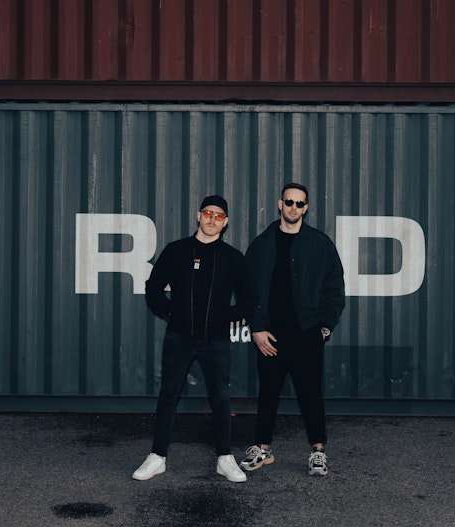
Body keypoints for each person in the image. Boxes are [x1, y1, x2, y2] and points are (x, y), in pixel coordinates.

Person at [132, 194, 253, 483]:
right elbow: (153, 288)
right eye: (208, 213)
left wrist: (226, 316)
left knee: (220, 397)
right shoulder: (176, 251)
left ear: (225, 222)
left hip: (216, 340)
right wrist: (171, 312)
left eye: (219, 216)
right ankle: (157, 456)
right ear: (198, 216)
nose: (212, 219)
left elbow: (250, 300)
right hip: (180, 337)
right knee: (168, 395)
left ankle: (224, 458)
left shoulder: (233, 258)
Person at [242, 182, 346, 477]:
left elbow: (334, 288)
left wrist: (324, 327)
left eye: (300, 203)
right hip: (270, 335)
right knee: (268, 393)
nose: (294, 208)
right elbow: (247, 290)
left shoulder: (319, 244)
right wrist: (256, 329)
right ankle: (263, 449)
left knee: (310, 393)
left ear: (306, 208)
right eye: (289, 202)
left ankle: (318, 452)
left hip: (306, 333)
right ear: (280, 204)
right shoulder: (262, 244)